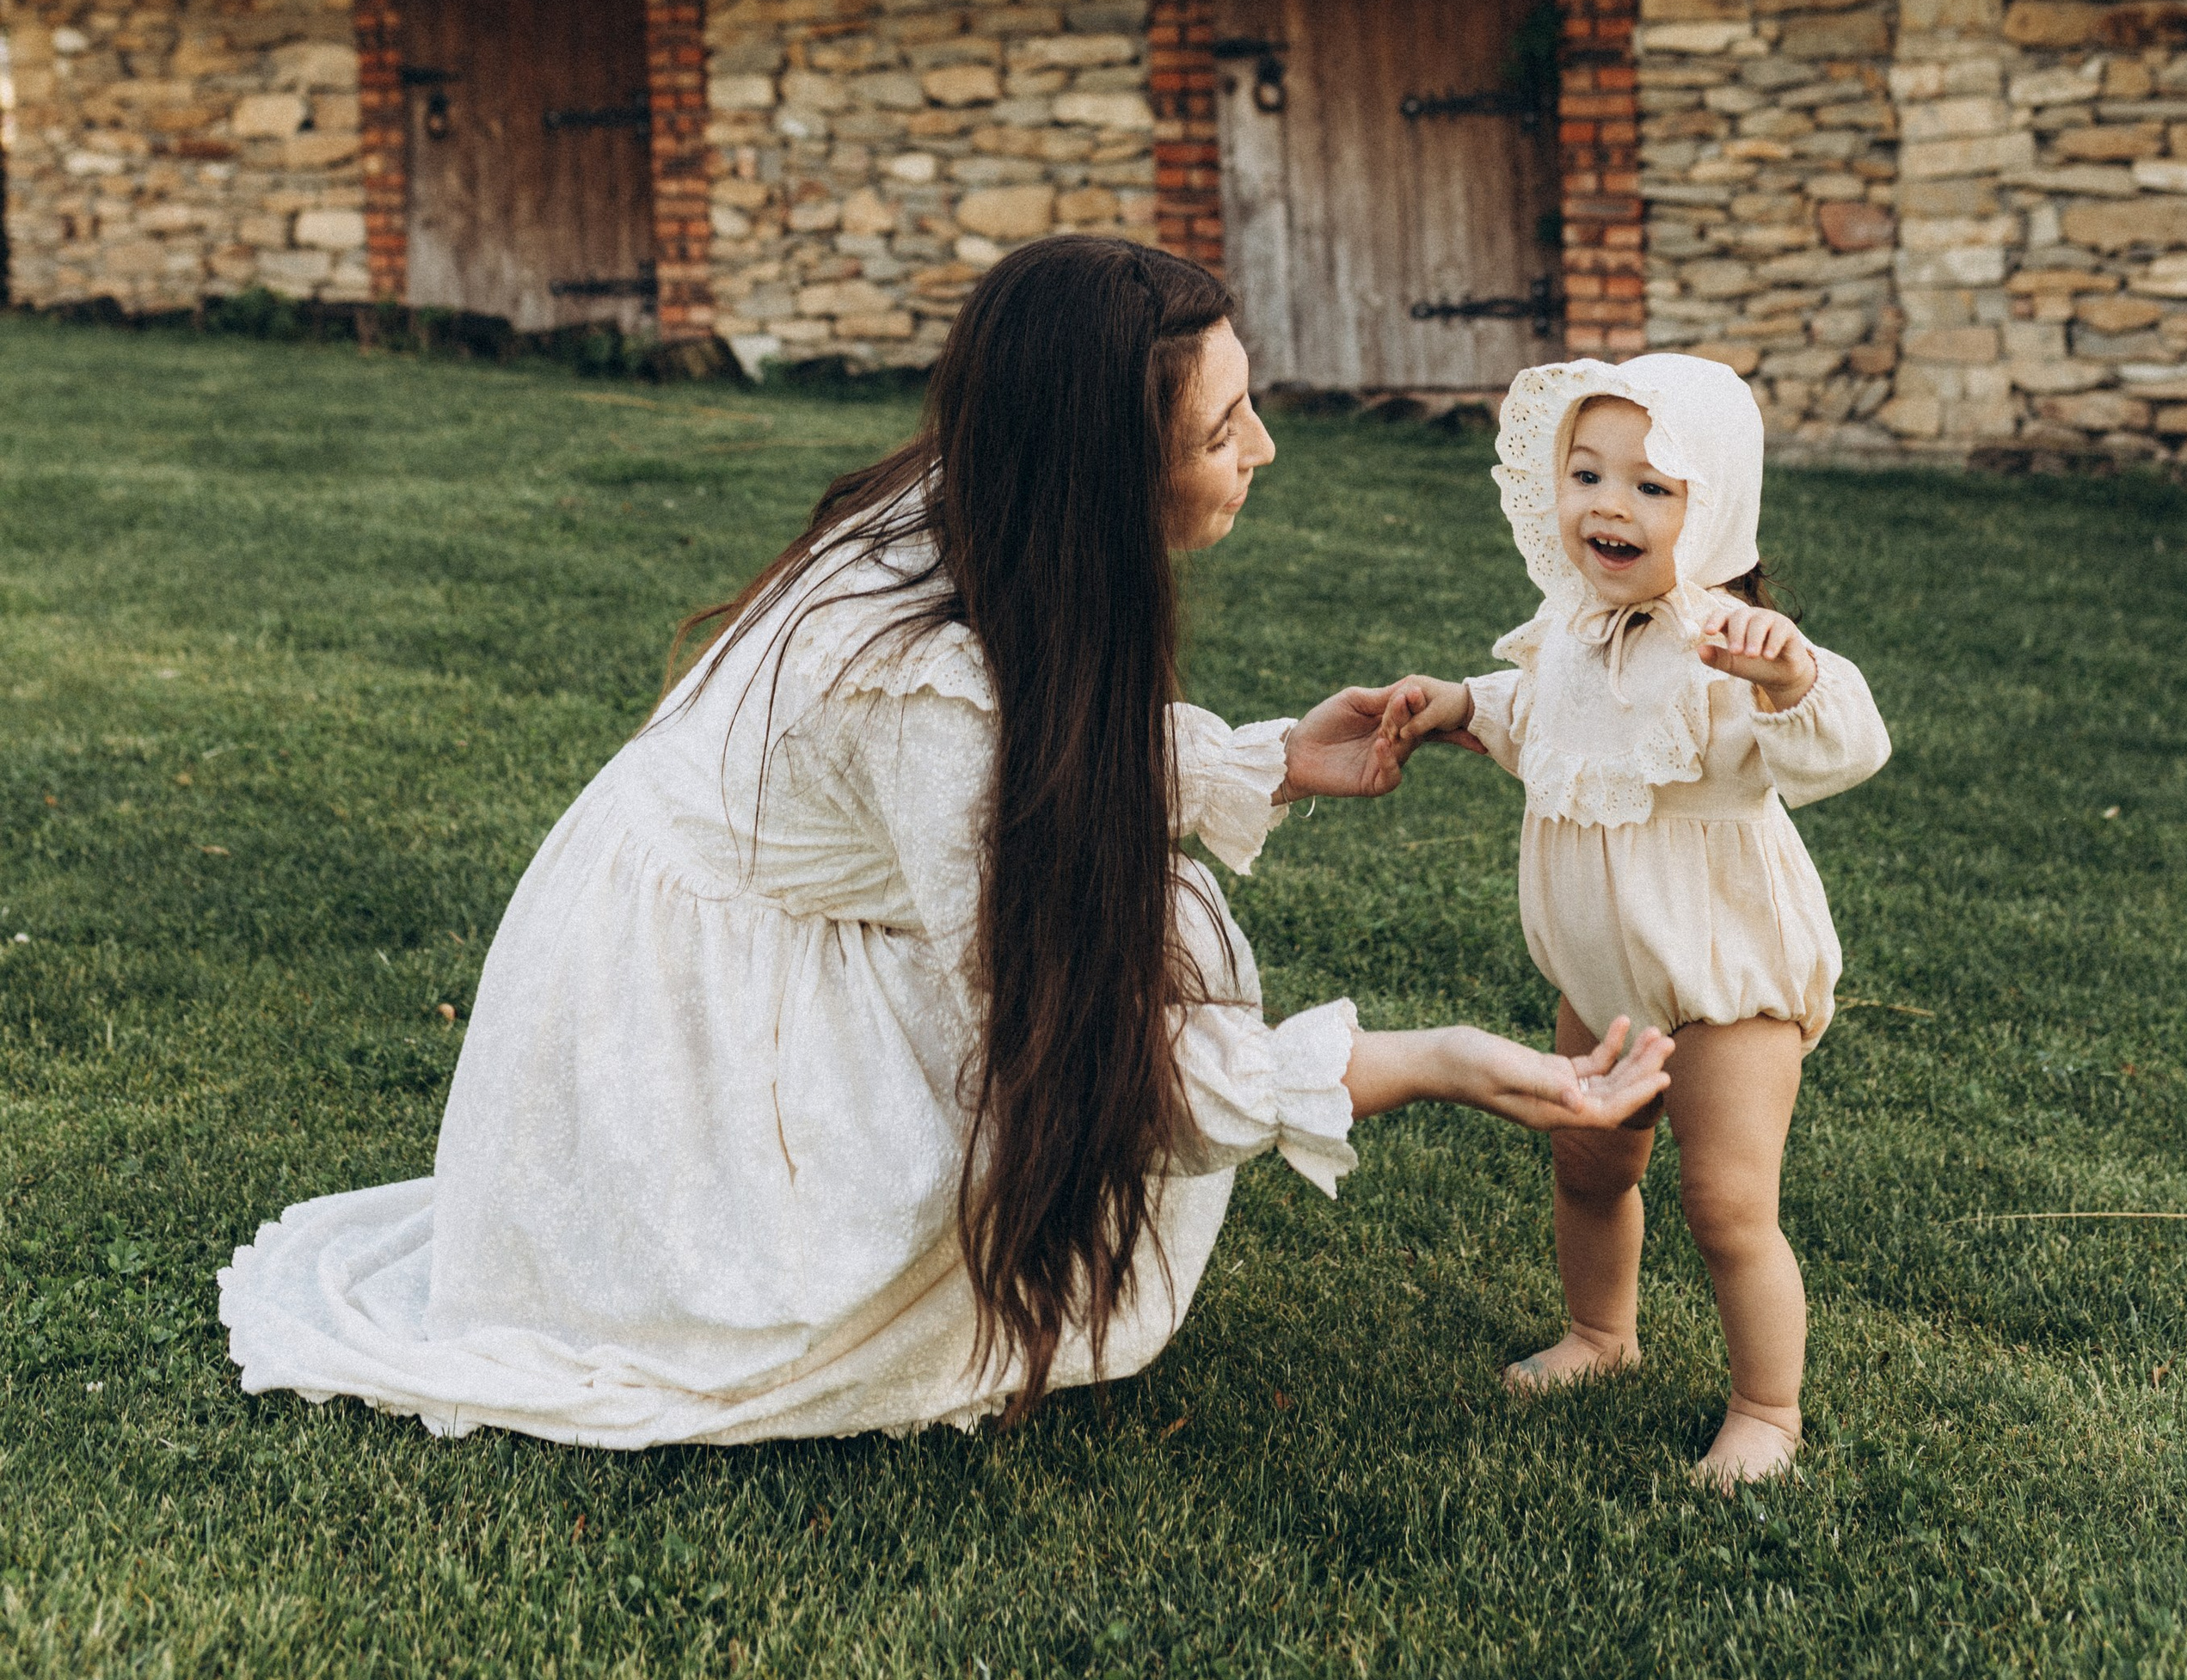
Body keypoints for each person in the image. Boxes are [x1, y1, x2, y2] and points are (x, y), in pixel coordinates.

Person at [219, 242, 1672, 1447]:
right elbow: (1086, 1058)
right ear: (1100, 469)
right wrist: (1427, 1062)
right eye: (1219, 431)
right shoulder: (925, 691)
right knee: (1113, 982)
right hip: (669, 1005)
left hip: (771, 893)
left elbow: (1032, 757)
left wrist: (1265, 759)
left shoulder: (979, 497)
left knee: (1155, 923)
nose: (1263, 450)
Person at [1381, 353, 1891, 1487]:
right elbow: (1541, 714)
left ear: (1714, 510)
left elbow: (1848, 745)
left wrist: (1789, 680)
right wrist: (1462, 705)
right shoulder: (1572, 626)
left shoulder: (1731, 646)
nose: (1609, 505)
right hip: (1602, 978)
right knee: (1587, 1166)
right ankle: (1601, 1333)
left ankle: (1766, 1409)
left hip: (1723, 981)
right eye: (1587, 475)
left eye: (1653, 487)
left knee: (1727, 1203)